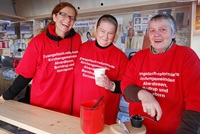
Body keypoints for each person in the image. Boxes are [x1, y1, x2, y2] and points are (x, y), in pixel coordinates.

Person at [121, 14, 200, 134]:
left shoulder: (186, 56)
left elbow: (196, 99)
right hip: (138, 130)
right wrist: (143, 94)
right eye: (152, 30)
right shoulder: (138, 57)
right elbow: (125, 87)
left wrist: (187, 130)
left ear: (174, 34)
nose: (156, 34)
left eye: (163, 29)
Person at [0, 2, 82, 115]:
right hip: (42, 104)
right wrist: (5, 97)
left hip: (67, 104)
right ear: (54, 16)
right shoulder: (38, 42)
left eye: (72, 17)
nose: (67, 20)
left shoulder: (77, 39)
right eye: (63, 14)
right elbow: (25, 75)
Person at [72, 14, 129, 125]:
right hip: (77, 113)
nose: (105, 36)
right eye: (102, 31)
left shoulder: (121, 57)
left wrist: (111, 84)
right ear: (96, 30)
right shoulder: (82, 48)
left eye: (110, 33)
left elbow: (127, 87)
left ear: (115, 34)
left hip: (104, 116)